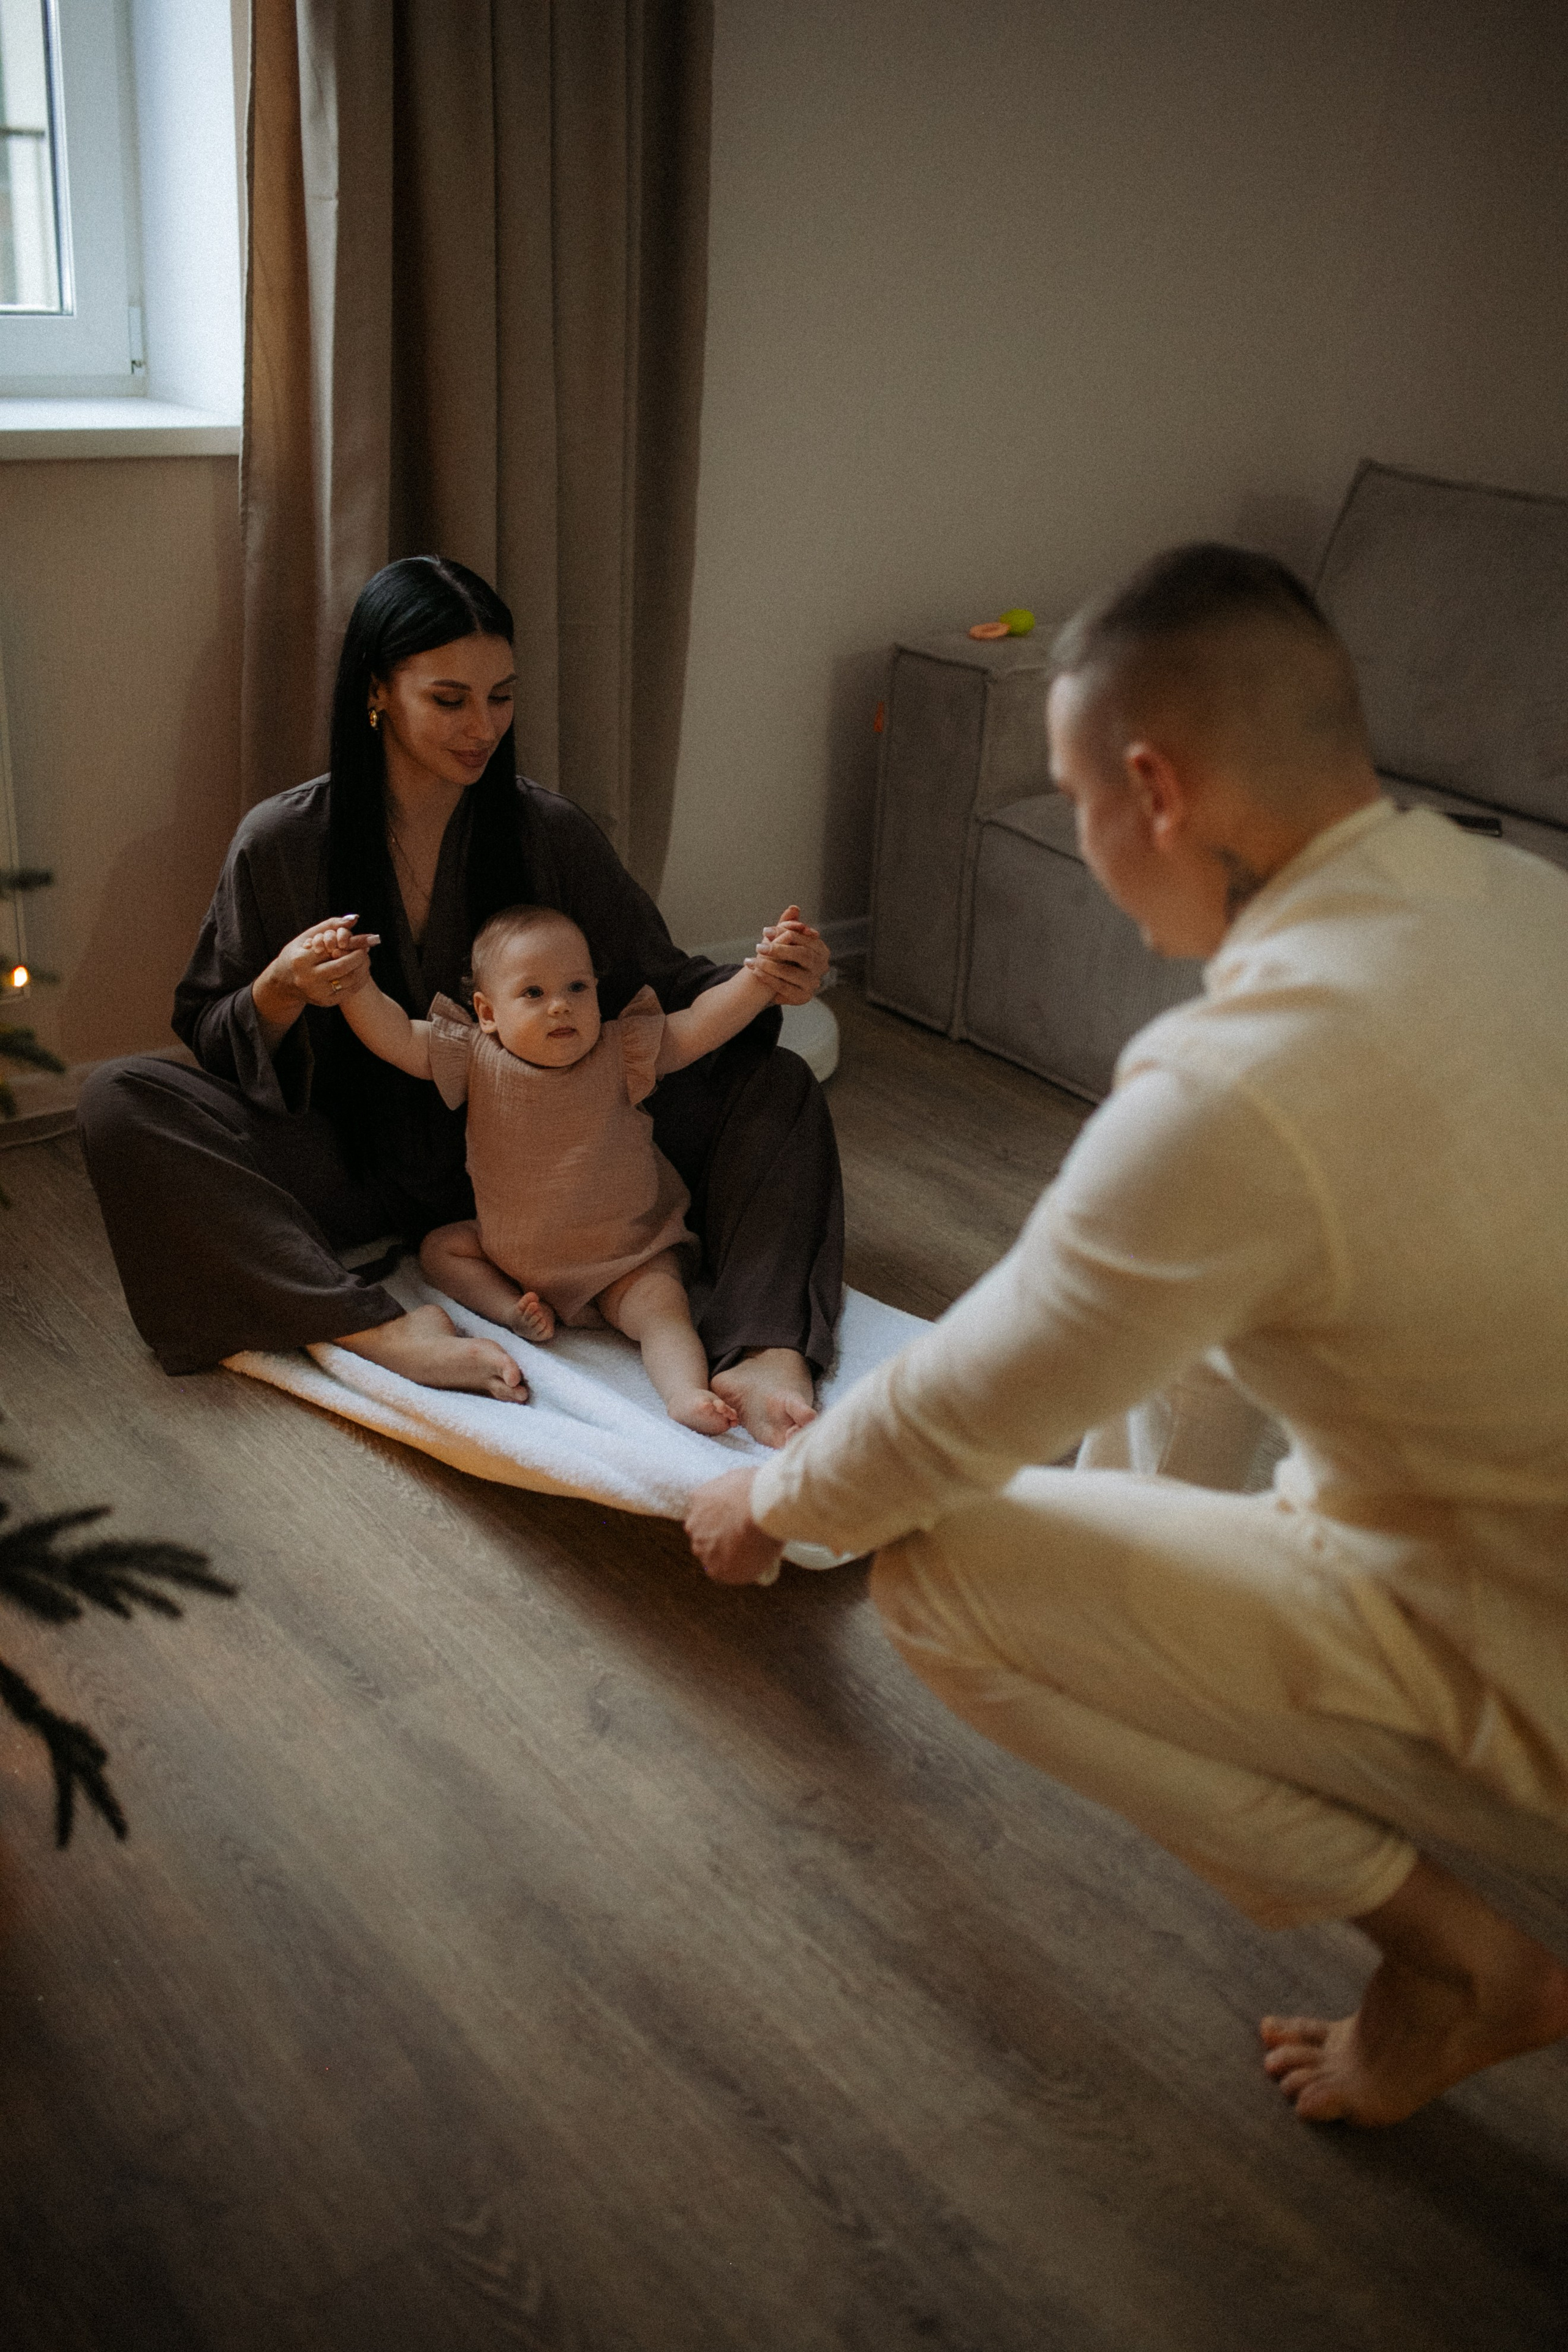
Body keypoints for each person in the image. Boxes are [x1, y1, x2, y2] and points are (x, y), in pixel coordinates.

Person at [686, 543, 1568, 2127]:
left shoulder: (1240, 1079)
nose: (1086, 842)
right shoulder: (1523, 902)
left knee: (939, 1572)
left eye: (1075, 800)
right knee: (1209, 1317)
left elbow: (960, 1415)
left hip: (1529, 1672)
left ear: (1155, 791)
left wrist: (768, 1502)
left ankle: (1453, 1959)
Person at [78, 556, 841, 1445]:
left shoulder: (547, 832)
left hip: (554, 1162)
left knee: (776, 1083)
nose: (483, 728)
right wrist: (279, 989)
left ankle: (763, 1346)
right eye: (449, 700)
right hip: (355, 1164)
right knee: (119, 1100)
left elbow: (660, 991)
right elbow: (215, 1034)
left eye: (502, 697)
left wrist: (769, 976)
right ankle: (371, 1326)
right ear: (377, 692)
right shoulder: (283, 841)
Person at [304, 899, 808, 1433]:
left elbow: (701, 1023)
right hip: (514, 1255)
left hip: (626, 1258)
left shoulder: (622, 1052)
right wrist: (357, 988)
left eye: (577, 988)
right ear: (488, 1013)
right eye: (534, 993)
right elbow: (397, 1037)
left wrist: (759, 978)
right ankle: (512, 1312)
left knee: (663, 1311)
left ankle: (685, 1392)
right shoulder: (472, 1055)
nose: (561, 1007)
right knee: (441, 1249)